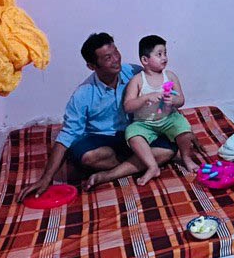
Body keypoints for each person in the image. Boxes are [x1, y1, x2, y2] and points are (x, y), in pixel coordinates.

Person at [24, 32, 175, 194]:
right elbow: (67, 135)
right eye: (108, 58)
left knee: (168, 149)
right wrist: (46, 178)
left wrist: (177, 125)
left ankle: (109, 174)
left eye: (116, 52)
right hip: (103, 140)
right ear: (92, 66)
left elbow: (162, 93)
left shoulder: (134, 73)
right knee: (86, 157)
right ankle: (140, 161)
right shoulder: (83, 94)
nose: (116, 59)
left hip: (136, 135)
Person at [122, 35, 206, 184]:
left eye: (165, 53)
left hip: (168, 118)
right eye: (159, 54)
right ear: (145, 60)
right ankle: (152, 166)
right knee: (132, 134)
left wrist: (174, 100)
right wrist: (145, 98)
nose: (164, 58)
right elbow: (127, 106)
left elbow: (181, 100)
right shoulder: (138, 80)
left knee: (184, 128)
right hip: (144, 123)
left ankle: (186, 158)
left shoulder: (170, 76)